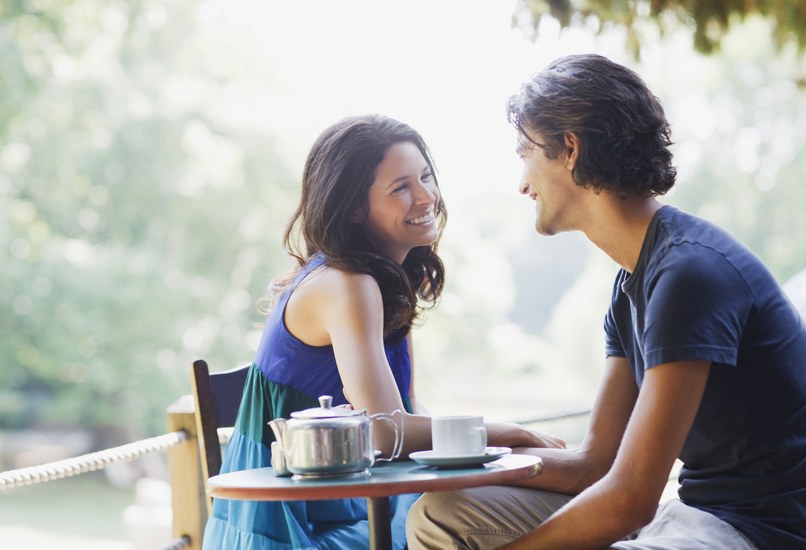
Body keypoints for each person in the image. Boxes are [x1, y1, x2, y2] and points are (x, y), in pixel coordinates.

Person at [406, 54, 806, 549]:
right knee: (442, 515)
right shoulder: (631, 285)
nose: (521, 183)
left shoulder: (689, 275)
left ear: (570, 150)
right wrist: (482, 456)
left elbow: (630, 498)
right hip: (691, 516)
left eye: (525, 154)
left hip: (762, 533)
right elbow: (596, 464)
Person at [202, 114, 557, 550]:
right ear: (353, 208)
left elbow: (402, 409)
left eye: (426, 177)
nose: (426, 196)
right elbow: (388, 432)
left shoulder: (387, 283)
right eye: (401, 187)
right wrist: (506, 431)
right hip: (290, 528)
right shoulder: (347, 285)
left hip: (362, 508)